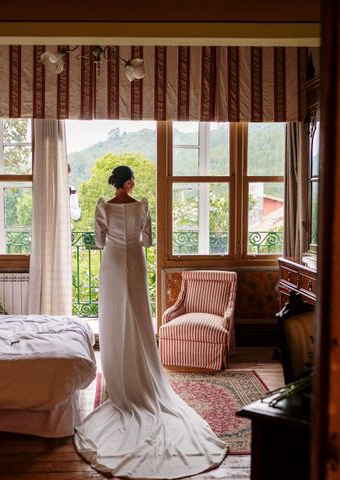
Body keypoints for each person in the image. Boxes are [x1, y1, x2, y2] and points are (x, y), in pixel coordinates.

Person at [74, 166, 228, 479]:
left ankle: (119, 376)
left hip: (114, 262)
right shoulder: (142, 206)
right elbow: (147, 239)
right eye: (132, 179)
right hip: (136, 261)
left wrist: (116, 237)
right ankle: (142, 371)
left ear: (114, 184)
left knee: (115, 316)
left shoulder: (103, 207)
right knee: (139, 316)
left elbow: (100, 241)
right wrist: (133, 235)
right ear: (128, 182)